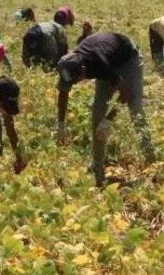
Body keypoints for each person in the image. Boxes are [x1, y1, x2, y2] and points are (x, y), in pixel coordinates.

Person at [55, 32, 155, 187]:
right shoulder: (67, 65)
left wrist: (108, 119)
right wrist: (61, 124)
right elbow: (63, 93)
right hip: (109, 58)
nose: (74, 84)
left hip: (128, 59)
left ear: (83, 70)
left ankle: (152, 161)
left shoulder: (99, 64)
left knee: (136, 110)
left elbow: (126, 92)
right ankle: (97, 165)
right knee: (98, 113)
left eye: (76, 81)